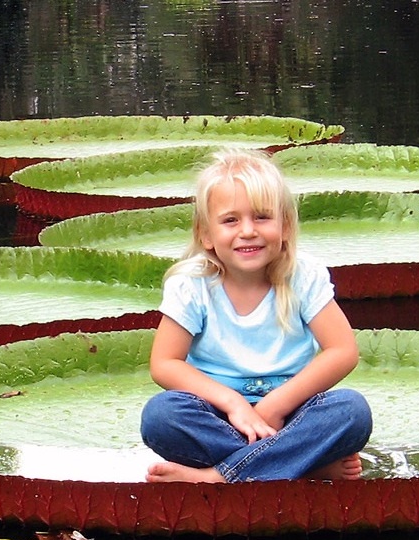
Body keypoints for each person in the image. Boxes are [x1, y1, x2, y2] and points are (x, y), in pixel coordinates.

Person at [140, 148, 372, 483]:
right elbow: (165, 363)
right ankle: (300, 465)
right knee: (161, 416)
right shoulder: (191, 285)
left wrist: (275, 407)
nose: (247, 231)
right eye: (230, 220)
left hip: (293, 411)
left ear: (286, 226)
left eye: (262, 217)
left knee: (351, 411)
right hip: (219, 416)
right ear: (206, 234)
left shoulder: (303, 276)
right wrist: (234, 404)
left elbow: (342, 351)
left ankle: (219, 477)